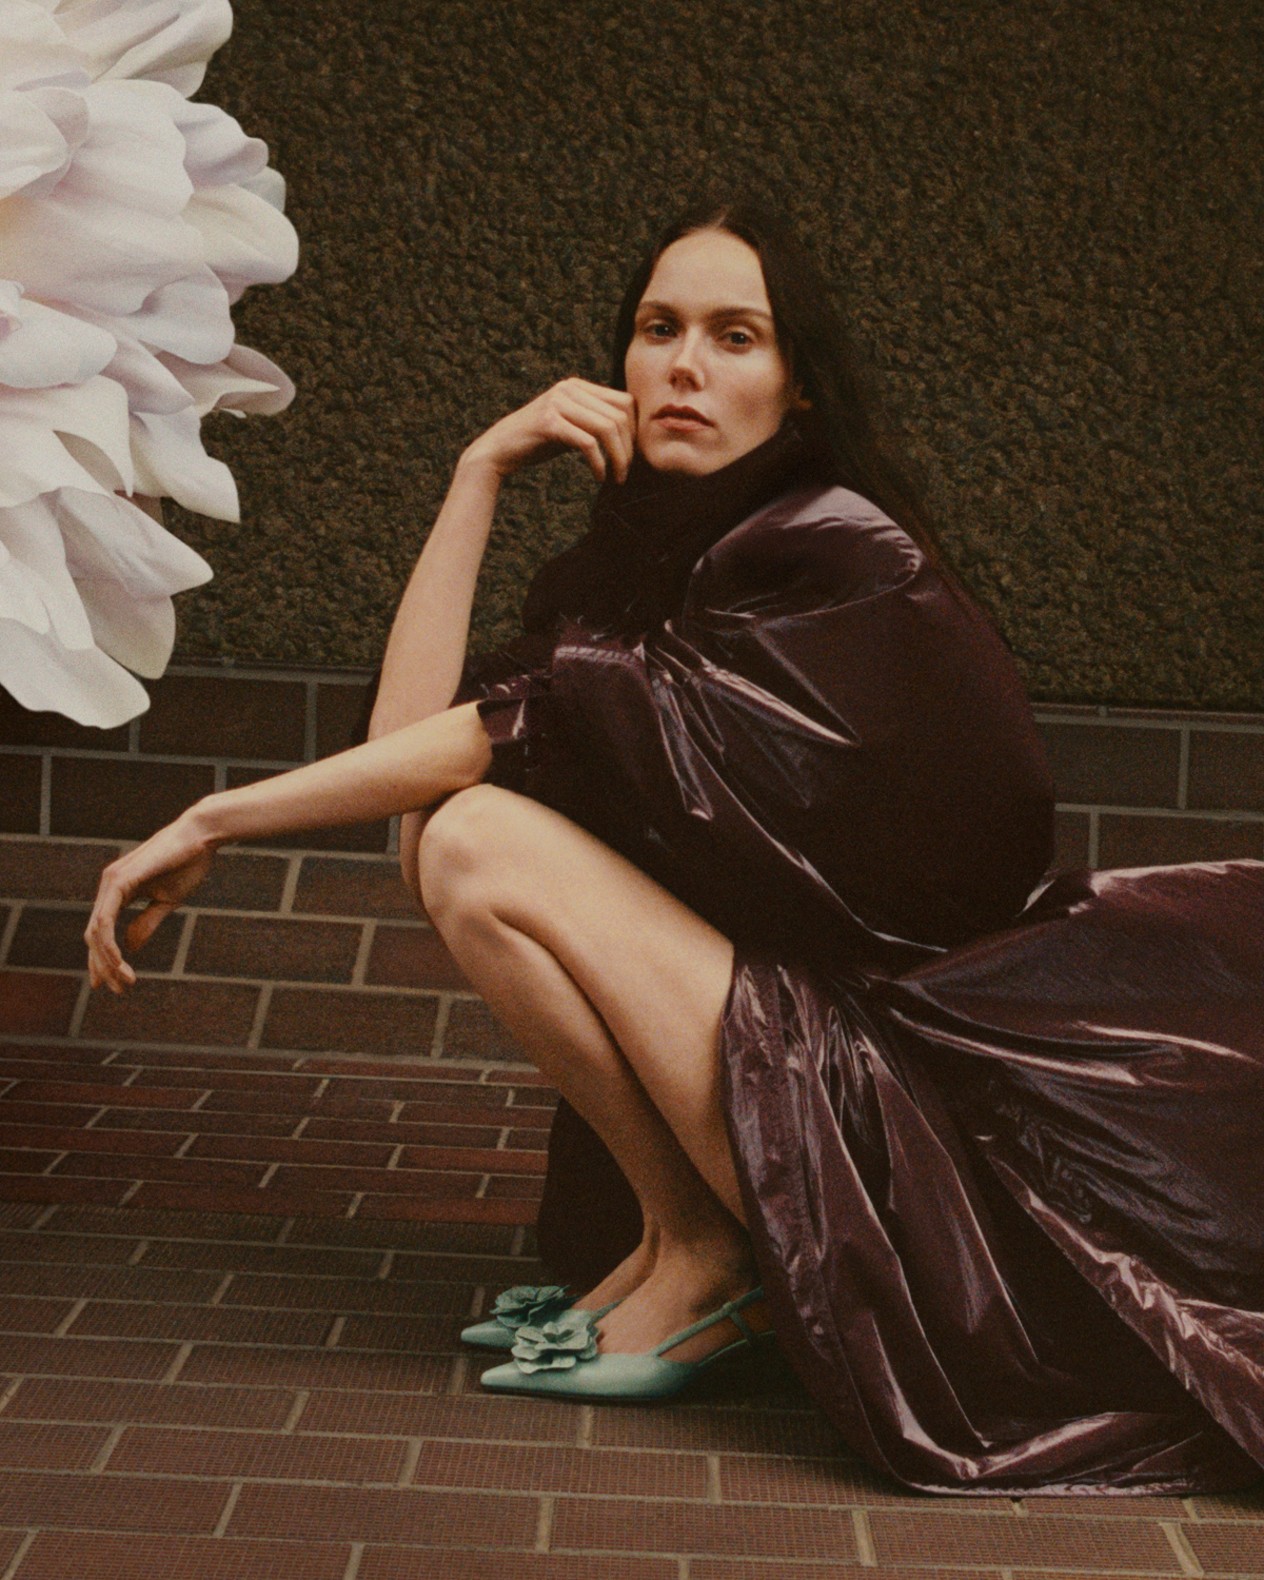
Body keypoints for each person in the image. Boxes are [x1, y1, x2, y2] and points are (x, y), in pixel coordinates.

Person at [85, 198, 1264, 1496]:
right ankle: (680, 1237)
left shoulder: (835, 548)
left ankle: (705, 1255)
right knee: (454, 831)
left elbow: (490, 741)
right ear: (620, 365)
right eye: (659, 330)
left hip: (905, 1109)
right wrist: (475, 473)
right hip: (793, 1043)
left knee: (478, 836)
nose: (687, 364)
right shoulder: (648, 566)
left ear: (798, 389)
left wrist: (209, 816)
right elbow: (413, 744)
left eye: (735, 335)